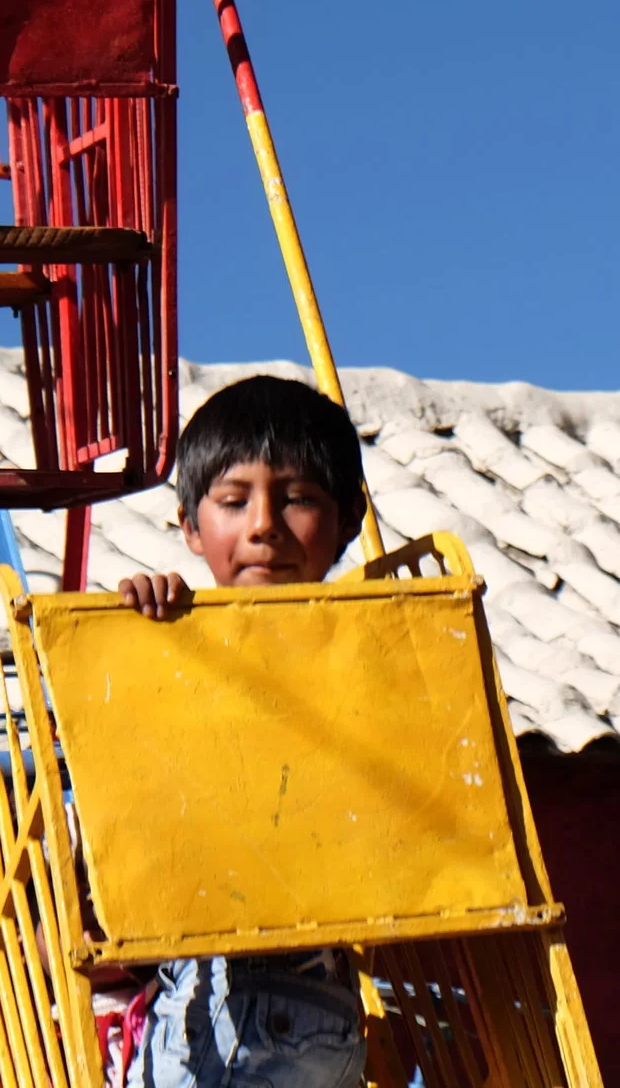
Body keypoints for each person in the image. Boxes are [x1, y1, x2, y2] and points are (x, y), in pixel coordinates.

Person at [112, 374, 370, 1088]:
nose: (264, 524)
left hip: (220, 1015)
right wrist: (147, 634)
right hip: (328, 1018)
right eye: (234, 501)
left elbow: (119, 825)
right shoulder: (177, 640)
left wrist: (152, 656)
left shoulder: (358, 658)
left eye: (297, 498)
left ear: (350, 515)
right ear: (190, 526)